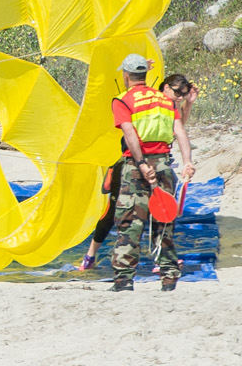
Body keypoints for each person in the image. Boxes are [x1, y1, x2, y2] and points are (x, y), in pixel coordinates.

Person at [78, 71, 199, 272]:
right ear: (165, 88)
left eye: (183, 95)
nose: (179, 97)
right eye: (177, 93)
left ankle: (161, 258)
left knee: (160, 210)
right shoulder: (147, 102)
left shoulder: (166, 105)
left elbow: (177, 128)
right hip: (131, 165)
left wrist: (189, 104)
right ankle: (90, 255)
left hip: (156, 163)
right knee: (115, 214)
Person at [107, 53, 194, 292]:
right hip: (165, 165)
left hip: (136, 168)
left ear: (126, 76)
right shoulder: (165, 100)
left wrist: (142, 164)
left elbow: (130, 135)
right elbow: (180, 131)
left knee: (130, 224)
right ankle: (168, 277)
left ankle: (124, 280)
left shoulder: (123, 100)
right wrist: (187, 161)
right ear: (144, 74)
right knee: (163, 223)